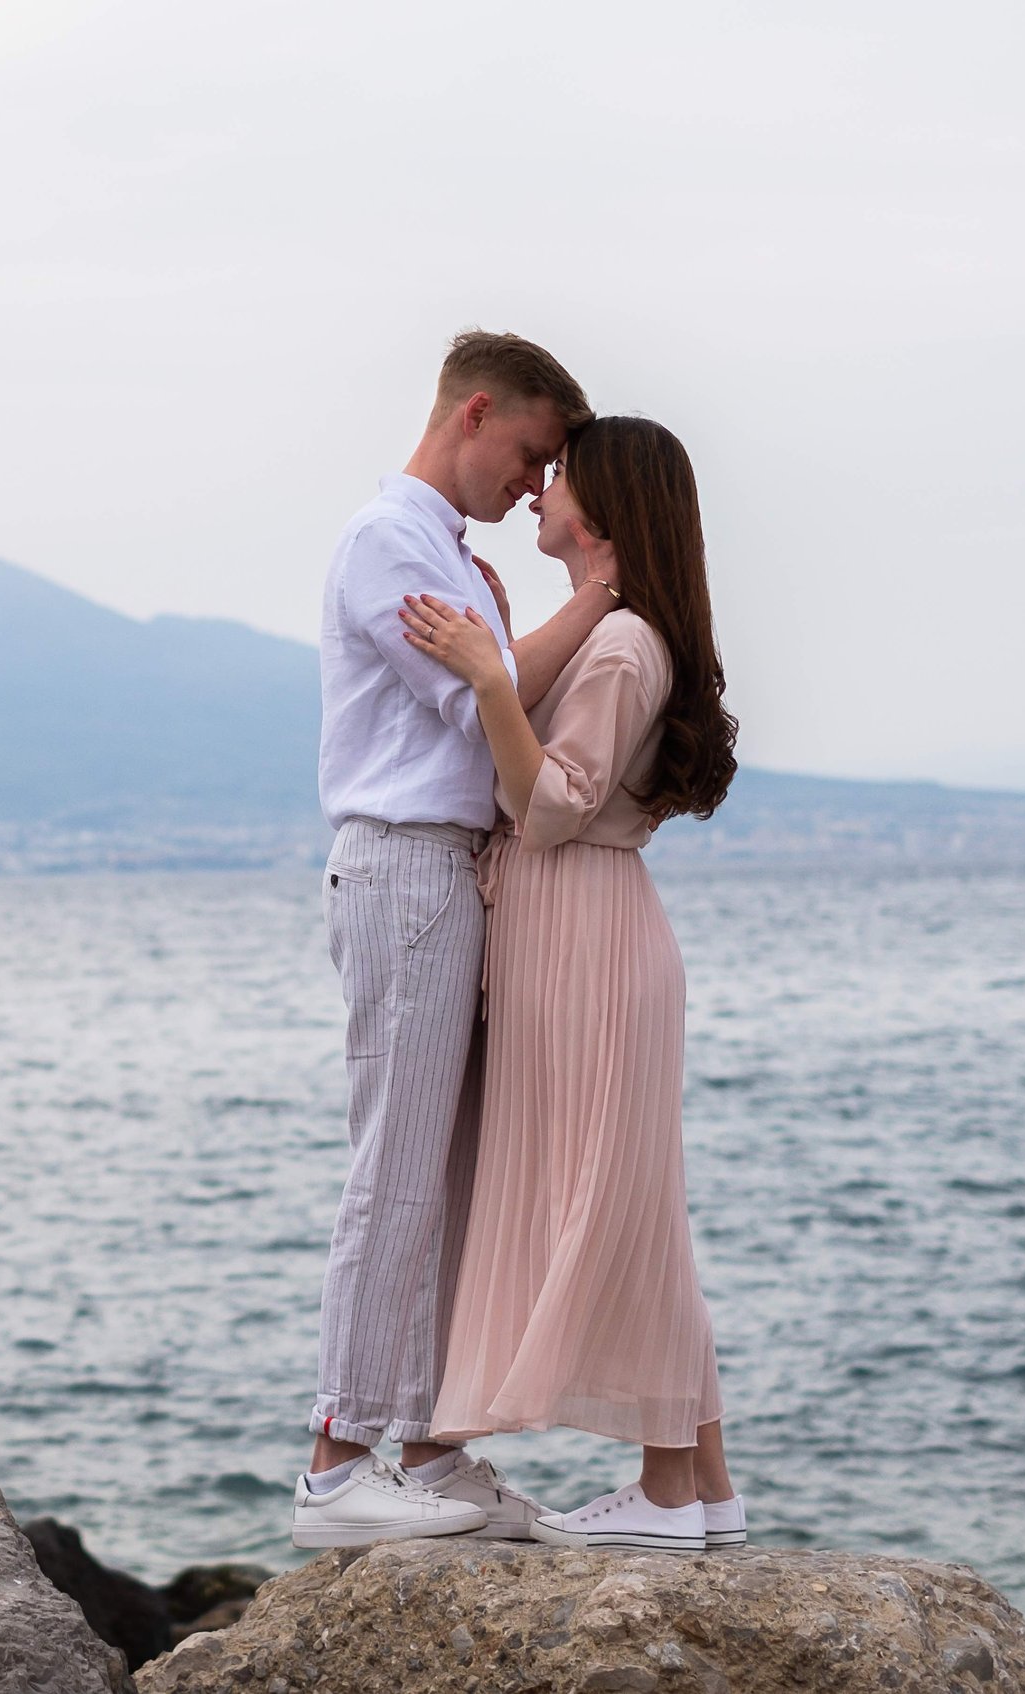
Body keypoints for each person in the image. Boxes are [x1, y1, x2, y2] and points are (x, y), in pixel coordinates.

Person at [291, 331, 620, 1549]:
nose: (535, 487)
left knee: (452, 1177)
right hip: (404, 865)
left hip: (451, 873)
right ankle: (337, 1459)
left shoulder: (454, 559)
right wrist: (594, 596)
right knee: (396, 1167)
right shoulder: (390, 541)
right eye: (531, 455)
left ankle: (429, 1443)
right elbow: (489, 696)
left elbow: (499, 689)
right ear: (475, 412)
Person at [404, 414, 745, 1553]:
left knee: (621, 1203)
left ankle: (665, 1488)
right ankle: (699, 1482)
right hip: (583, 931)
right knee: (630, 1199)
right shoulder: (614, 631)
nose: (539, 489)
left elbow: (549, 801)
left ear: (599, 505)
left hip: (586, 938)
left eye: (559, 476)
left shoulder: (622, 647)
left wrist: (485, 681)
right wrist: (505, 646)